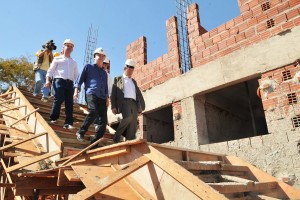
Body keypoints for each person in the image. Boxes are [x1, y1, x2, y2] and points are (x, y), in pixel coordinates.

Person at [74, 47, 109, 146]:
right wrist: (76, 91)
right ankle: (81, 132)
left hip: (102, 97)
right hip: (91, 94)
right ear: (94, 57)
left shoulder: (104, 73)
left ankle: (95, 144)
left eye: (103, 56)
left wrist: (107, 98)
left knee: (103, 121)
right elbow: (79, 80)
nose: (101, 57)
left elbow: (106, 87)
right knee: (93, 111)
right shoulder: (88, 67)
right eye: (99, 55)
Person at [45, 39, 79, 129]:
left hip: (70, 83)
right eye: (67, 45)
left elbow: (76, 76)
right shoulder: (57, 58)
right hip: (59, 81)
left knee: (69, 103)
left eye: (71, 46)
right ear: (63, 47)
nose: (69, 47)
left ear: (72, 49)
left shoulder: (74, 62)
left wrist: (76, 88)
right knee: (58, 98)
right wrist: (48, 80)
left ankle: (68, 123)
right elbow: (50, 71)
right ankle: (53, 118)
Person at [111, 59, 145, 143]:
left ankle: (130, 140)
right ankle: (117, 135)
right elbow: (113, 93)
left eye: (132, 69)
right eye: (128, 69)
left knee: (133, 122)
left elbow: (138, 95)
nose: (130, 71)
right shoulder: (118, 79)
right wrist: (113, 106)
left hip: (133, 103)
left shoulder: (133, 81)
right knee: (128, 117)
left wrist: (140, 107)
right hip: (124, 102)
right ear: (124, 68)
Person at [93, 56, 112, 129]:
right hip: (96, 94)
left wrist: (109, 98)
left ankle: (100, 125)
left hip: (104, 96)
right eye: (103, 63)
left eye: (105, 64)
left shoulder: (109, 76)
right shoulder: (96, 72)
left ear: (107, 65)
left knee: (103, 112)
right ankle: (96, 124)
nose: (104, 65)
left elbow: (110, 87)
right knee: (96, 109)